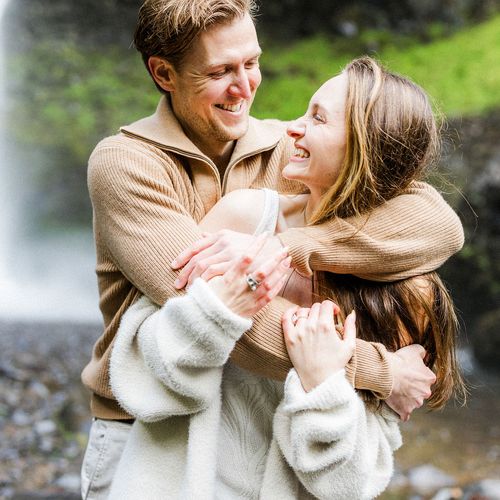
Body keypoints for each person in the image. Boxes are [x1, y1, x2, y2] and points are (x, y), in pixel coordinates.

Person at [80, 0, 464, 497]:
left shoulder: (291, 148)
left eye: (252, 62)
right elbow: (222, 315)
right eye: (220, 71)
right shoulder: (125, 164)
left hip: (261, 434)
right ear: (164, 73)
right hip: (147, 433)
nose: (245, 86)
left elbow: (438, 225)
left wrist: (291, 245)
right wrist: (379, 370)